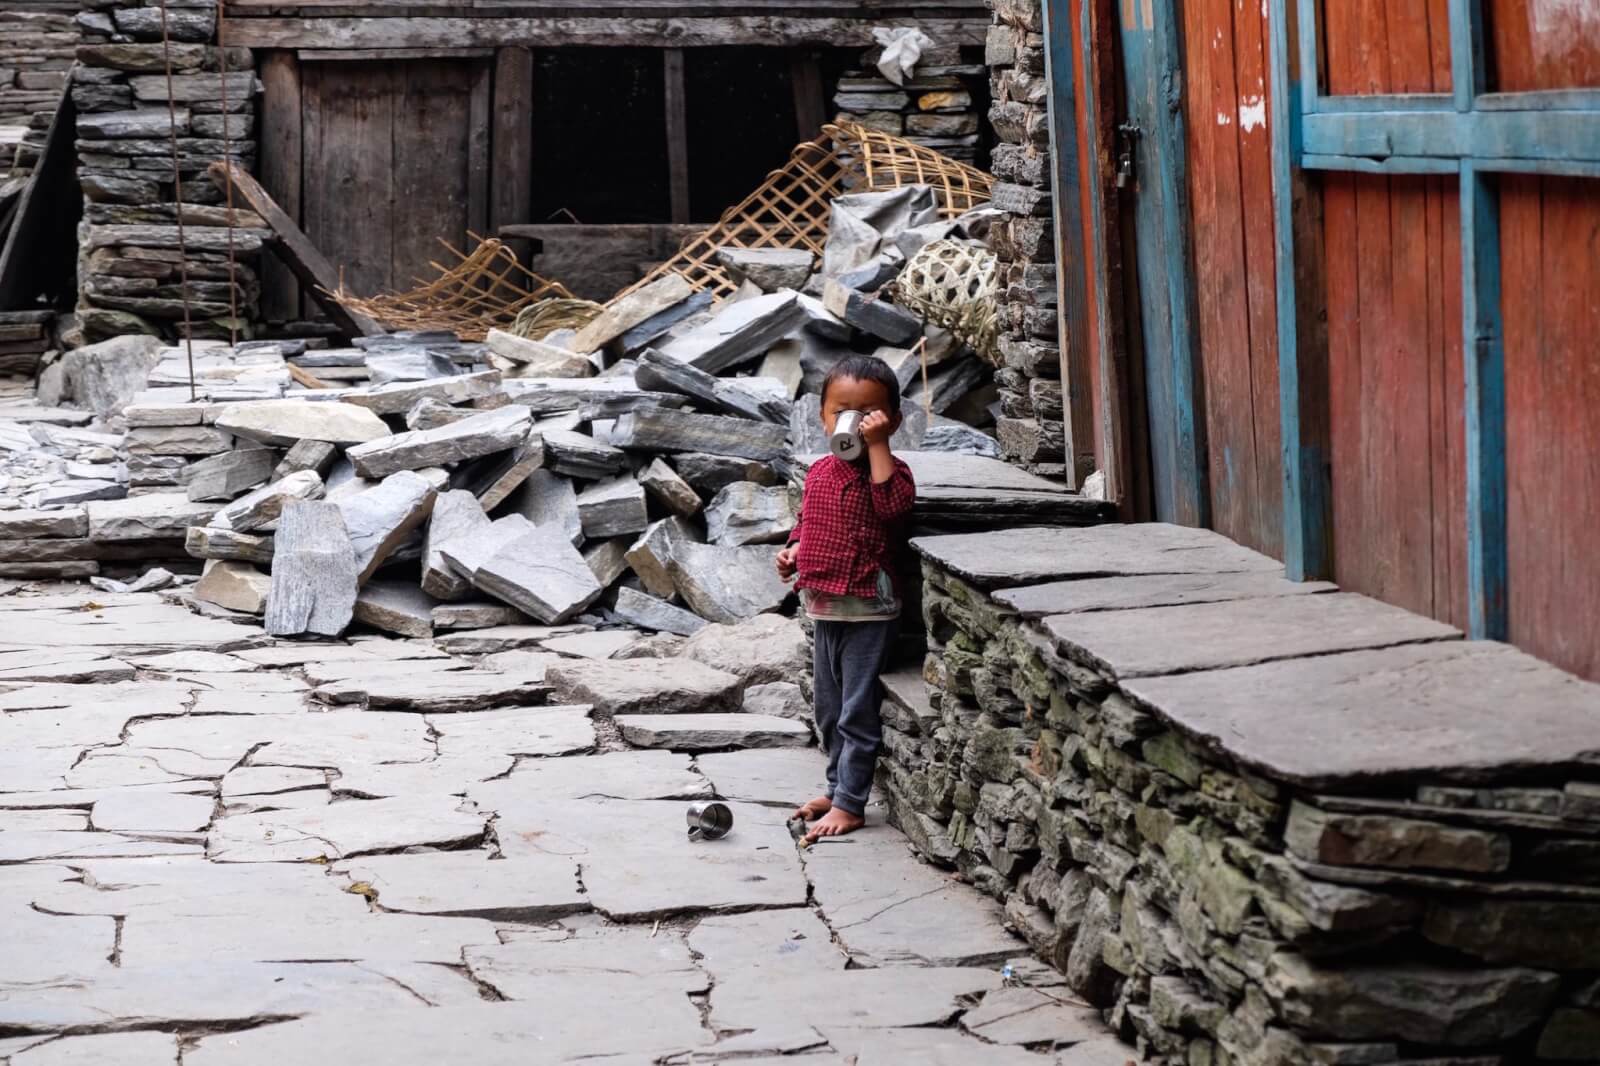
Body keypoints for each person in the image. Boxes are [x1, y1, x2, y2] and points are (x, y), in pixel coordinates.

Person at [776, 355, 916, 841]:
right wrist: (795, 550)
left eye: (868, 414)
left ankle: (852, 804)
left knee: (857, 709)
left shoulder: (890, 472)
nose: (851, 423)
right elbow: (809, 521)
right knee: (828, 709)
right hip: (825, 605)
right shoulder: (820, 472)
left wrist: (877, 446)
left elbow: (891, 508)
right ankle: (837, 789)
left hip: (868, 610)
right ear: (822, 417)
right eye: (841, 413)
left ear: (893, 421)